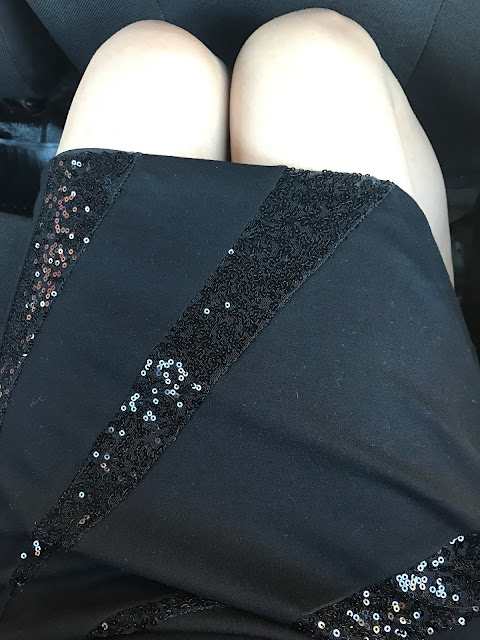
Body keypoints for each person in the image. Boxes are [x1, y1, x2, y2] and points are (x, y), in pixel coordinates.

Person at [0, 9, 479, 640]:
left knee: (148, 62)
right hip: (376, 572)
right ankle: (430, 302)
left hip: (67, 568)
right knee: (311, 56)